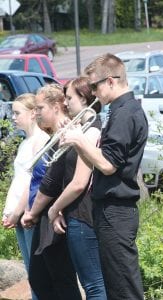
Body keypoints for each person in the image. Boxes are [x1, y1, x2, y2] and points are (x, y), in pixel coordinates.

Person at [59, 53, 148, 300]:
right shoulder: (120, 111)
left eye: (95, 86)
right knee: (114, 285)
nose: (94, 93)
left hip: (116, 210)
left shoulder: (125, 113)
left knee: (124, 288)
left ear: (110, 81)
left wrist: (79, 140)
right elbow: (100, 162)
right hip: (110, 210)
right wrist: (77, 141)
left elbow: (108, 165)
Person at [22, 77, 107, 300]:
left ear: (85, 99)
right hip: (67, 213)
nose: (66, 103)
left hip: (78, 214)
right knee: (50, 278)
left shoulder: (91, 131)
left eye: (69, 98)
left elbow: (77, 182)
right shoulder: (78, 129)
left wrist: (51, 210)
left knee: (90, 284)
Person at [21, 83, 82, 300]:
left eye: (40, 108)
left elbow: (52, 182)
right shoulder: (53, 137)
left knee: (60, 278)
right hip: (44, 214)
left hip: (54, 214)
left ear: (57, 106)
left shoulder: (67, 136)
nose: (36, 113)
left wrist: (34, 212)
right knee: (40, 277)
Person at [2, 93, 50, 300]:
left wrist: (17, 212)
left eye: (17, 113)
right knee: (32, 273)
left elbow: (32, 182)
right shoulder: (25, 142)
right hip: (19, 215)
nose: (13, 117)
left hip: (29, 214)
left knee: (38, 274)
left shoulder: (40, 140)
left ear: (32, 113)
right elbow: (18, 181)